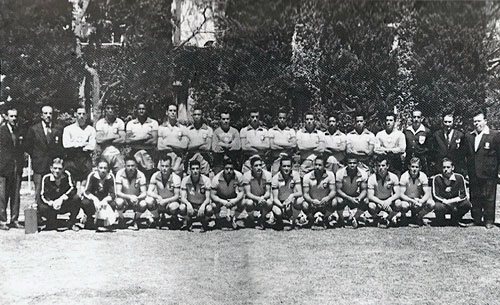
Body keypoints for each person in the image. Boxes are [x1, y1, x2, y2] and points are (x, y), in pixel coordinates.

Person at [24, 105, 64, 209]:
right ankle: (38, 214)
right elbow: (28, 146)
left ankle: (50, 214)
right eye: (45, 113)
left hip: (52, 165)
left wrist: (57, 158)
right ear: (41, 115)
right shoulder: (34, 129)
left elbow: (60, 147)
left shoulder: (58, 129)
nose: (48, 116)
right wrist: (36, 156)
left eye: (50, 113)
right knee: (39, 189)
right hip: (39, 164)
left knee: (51, 189)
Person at [464, 111, 500, 228]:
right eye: (474, 121)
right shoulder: (469, 136)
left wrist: (498, 171)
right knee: (475, 196)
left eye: (479, 121)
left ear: (485, 121)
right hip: (473, 172)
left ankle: (489, 220)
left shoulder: (494, 135)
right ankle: (476, 219)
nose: (476, 124)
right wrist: (467, 172)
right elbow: (467, 155)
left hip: (489, 172)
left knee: (489, 197)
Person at [39, 158, 81, 231]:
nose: (57, 171)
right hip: (52, 205)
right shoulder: (46, 178)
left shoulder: (67, 175)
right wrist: (51, 202)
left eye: (60, 168)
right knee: (41, 207)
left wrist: (62, 199)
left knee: (76, 198)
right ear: (51, 168)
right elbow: (43, 195)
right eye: (55, 168)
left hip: (64, 203)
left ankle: (71, 223)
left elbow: (73, 189)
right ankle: (51, 222)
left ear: (63, 169)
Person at [62, 107, 96, 195]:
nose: (81, 116)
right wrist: (82, 144)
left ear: (87, 116)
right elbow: (66, 144)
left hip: (85, 158)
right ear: (75, 115)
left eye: (83, 114)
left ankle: (84, 200)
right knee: (71, 183)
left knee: (86, 183)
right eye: (79, 114)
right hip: (71, 158)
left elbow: (92, 146)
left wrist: (75, 144)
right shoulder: (68, 129)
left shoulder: (91, 130)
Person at [0, 107, 24, 230]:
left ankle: (14, 219)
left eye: (15, 116)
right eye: (11, 116)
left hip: (16, 168)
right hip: (3, 168)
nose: (14, 118)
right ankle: (2, 221)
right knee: (2, 195)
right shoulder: (1, 131)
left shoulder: (19, 131)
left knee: (15, 195)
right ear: (6, 117)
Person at [432, 158, 471, 227]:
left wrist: (452, 201)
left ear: (453, 168)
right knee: (437, 206)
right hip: (443, 204)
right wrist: (446, 202)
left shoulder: (459, 178)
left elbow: (463, 195)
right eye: (444, 167)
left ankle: (456, 218)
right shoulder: (437, 178)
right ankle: (441, 220)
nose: (446, 169)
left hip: (455, 204)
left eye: (448, 167)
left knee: (467, 204)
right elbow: (435, 195)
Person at [145, 155, 181, 229]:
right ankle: (158, 218)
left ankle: (174, 218)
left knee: (174, 206)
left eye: (167, 166)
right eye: (162, 166)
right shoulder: (155, 175)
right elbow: (149, 191)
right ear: (159, 166)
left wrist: (165, 201)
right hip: (160, 201)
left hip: (170, 202)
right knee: (148, 200)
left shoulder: (176, 178)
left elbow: (177, 196)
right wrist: (158, 197)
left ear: (170, 166)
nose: (164, 169)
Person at [125, 102, 159, 180]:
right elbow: (127, 141)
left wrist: (135, 140)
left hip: (149, 153)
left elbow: (154, 141)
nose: (141, 111)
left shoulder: (153, 123)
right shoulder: (131, 124)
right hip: (134, 153)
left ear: (146, 110)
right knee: (136, 177)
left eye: (143, 109)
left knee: (149, 176)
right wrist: (145, 137)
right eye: (139, 109)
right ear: (136, 110)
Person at [81, 159, 116, 232]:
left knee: (113, 203)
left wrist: (105, 200)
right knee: (85, 202)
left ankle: (104, 222)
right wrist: (95, 199)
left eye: (105, 168)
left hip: (104, 199)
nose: (103, 170)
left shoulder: (111, 177)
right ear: (97, 168)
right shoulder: (92, 175)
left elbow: (113, 194)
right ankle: (90, 219)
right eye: (101, 168)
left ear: (108, 169)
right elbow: (86, 191)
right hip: (93, 199)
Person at [398, 157, 435, 227]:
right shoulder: (404, 176)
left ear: (420, 168)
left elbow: (427, 193)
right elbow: (401, 194)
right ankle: (403, 218)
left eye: (416, 167)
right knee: (402, 205)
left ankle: (419, 217)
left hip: (418, 200)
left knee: (431, 203)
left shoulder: (423, 176)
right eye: (412, 167)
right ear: (409, 167)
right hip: (407, 200)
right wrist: (411, 200)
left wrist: (421, 201)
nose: (414, 169)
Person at [335, 154, 368, 229]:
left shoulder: (363, 173)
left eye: (354, 163)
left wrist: (359, 198)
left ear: (358, 164)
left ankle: (355, 218)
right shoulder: (340, 173)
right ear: (346, 164)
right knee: (338, 201)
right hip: (343, 195)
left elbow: (364, 190)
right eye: (350, 163)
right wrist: (349, 198)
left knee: (366, 201)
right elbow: (338, 190)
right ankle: (341, 219)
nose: (352, 165)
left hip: (355, 195)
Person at [210, 158, 244, 230]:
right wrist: (223, 201)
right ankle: (218, 220)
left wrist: (235, 200)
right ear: (223, 168)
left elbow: (242, 192)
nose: (229, 171)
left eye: (231, 169)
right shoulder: (216, 178)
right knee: (213, 205)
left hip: (233, 196)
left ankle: (234, 219)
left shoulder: (239, 176)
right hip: (221, 197)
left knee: (243, 202)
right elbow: (213, 195)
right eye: (227, 168)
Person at [367, 156, 401, 228]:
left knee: (399, 203)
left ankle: (388, 218)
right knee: (371, 206)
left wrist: (389, 200)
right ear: (375, 167)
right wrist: (381, 202)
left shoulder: (393, 176)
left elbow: (398, 194)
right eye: (378, 166)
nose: (381, 168)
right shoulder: (372, 178)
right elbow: (370, 196)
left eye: (383, 165)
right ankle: (376, 218)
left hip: (389, 202)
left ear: (387, 166)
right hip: (377, 202)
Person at [302, 157, 336, 228]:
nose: (317, 167)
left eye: (320, 165)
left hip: (325, 203)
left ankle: (325, 219)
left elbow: (333, 191)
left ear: (324, 166)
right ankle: (311, 220)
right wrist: (311, 201)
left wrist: (328, 198)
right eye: (316, 165)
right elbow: (305, 194)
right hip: (312, 204)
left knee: (334, 202)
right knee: (304, 204)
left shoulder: (330, 175)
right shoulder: (307, 176)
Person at [115, 156, 148, 230]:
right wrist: (129, 197)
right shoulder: (119, 173)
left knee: (143, 204)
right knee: (118, 202)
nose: (130, 168)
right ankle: (121, 219)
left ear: (136, 166)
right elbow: (118, 192)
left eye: (133, 166)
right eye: (128, 166)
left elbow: (144, 193)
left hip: (136, 199)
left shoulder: (141, 175)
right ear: (125, 166)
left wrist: (137, 198)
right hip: (124, 199)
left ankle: (135, 220)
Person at [271, 155, 303, 230]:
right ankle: (279, 220)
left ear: (291, 167)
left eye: (288, 166)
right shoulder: (275, 178)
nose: (286, 168)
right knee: (278, 212)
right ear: (280, 167)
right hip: (279, 203)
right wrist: (282, 206)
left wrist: (292, 196)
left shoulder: (296, 174)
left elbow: (300, 192)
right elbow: (275, 198)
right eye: (284, 166)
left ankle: (293, 220)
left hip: (290, 201)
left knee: (300, 200)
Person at [180, 160, 212, 232]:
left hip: (201, 204)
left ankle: (204, 222)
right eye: (193, 169)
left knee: (209, 209)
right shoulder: (185, 180)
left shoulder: (206, 180)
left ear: (200, 169)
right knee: (181, 207)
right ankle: (189, 220)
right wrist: (188, 204)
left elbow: (208, 198)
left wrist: (203, 205)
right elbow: (183, 197)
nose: (195, 171)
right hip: (191, 204)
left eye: (197, 168)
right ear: (190, 170)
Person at [242, 156, 273, 229]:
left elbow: (268, 192)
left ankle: (261, 220)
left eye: (260, 165)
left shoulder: (268, 175)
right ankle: (251, 219)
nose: (259, 167)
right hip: (252, 198)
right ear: (251, 167)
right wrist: (258, 199)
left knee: (270, 202)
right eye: (256, 166)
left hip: (263, 198)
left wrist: (262, 198)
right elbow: (248, 193)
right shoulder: (246, 176)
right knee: (248, 203)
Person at [157, 104, 189, 177]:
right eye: (170, 110)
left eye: (174, 111)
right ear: (167, 112)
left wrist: (168, 144)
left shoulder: (182, 128)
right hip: (164, 158)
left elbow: (184, 146)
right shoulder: (161, 128)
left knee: (177, 181)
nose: (173, 113)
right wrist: (177, 145)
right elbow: (160, 146)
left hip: (177, 159)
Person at [95, 102, 126, 174]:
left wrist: (106, 139)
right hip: (104, 153)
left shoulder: (119, 122)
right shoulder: (100, 123)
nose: (110, 110)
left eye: (112, 108)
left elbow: (123, 140)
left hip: (117, 153)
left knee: (120, 175)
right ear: (105, 110)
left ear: (115, 110)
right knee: (104, 176)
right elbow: (99, 140)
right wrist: (114, 136)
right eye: (108, 108)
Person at [374, 112, 406, 176]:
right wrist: (387, 150)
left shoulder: (400, 134)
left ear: (394, 122)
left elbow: (402, 148)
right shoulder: (379, 134)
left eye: (391, 120)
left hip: (396, 163)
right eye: (387, 120)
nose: (388, 122)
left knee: (396, 182)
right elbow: (376, 149)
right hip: (383, 163)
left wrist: (390, 150)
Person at [268, 110, 297, 176]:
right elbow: (272, 146)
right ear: (277, 118)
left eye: (284, 118)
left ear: (286, 119)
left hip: (288, 160)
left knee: (290, 180)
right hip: (276, 159)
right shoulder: (272, 130)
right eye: (280, 118)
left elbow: (294, 145)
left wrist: (277, 144)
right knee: (275, 179)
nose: (282, 120)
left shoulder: (291, 131)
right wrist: (287, 145)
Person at [186, 107, 213, 176]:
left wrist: (193, 146)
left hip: (204, 160)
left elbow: (207, 147)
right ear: (192, 116)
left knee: (204, 182)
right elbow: (186, 147)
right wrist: (201, 143)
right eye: (195, 115)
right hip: (191, 159)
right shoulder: (188, 130)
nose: (197, 116)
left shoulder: (208, 130)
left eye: (199, 114)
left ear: (202, 116)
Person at [296, 112, 325, 177]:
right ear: (304, 121)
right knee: (304, 183)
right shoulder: (299, 133)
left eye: (311, 119)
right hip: (304, 162)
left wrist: (306, 146)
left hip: (317, 163)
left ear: (314, 120)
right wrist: (316, 145)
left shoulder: (320, 133)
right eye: (307, 119)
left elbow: (322, 149)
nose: (309, 121)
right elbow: (300, 147)